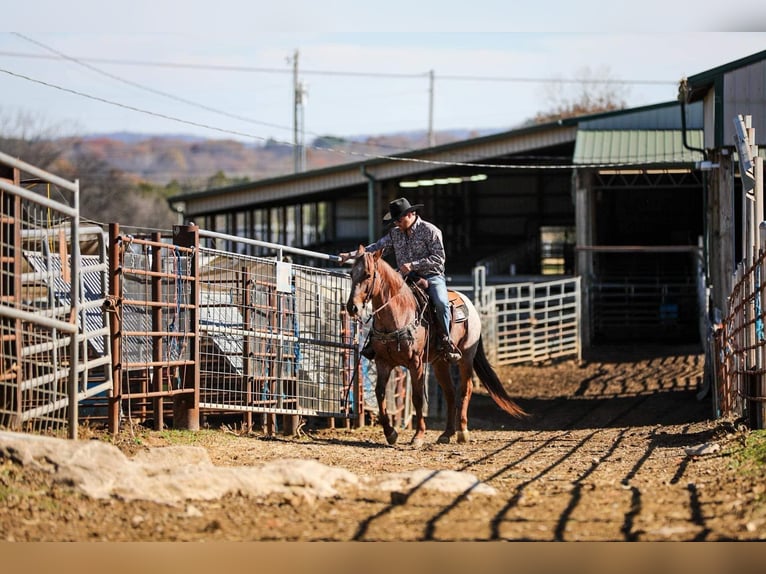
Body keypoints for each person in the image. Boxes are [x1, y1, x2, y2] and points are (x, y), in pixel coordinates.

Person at [339, 197, 461, 363]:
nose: (396, 223)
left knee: (440, 302)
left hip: (431, 276)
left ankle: (446, 339)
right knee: (384, 300)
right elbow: (374, 248)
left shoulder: (430, 231)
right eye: (394, 220)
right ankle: (374, 339)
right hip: (404, 277)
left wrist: (413, 264)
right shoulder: (395, 234)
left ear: (411, 214)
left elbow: (439, 258)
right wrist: (350, 255)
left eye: (399, 219)